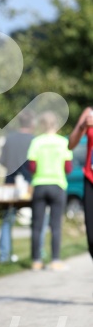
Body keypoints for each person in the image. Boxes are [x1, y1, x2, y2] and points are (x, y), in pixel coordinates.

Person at [27, 111, 73, 270]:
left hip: (40, 184)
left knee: (37, 226)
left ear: (42, 125)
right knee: (55, 225)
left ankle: (36, 261)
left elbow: (32, 166)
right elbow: (68, 167)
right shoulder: (63, 142)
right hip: (58, 184)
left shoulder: (37, 142)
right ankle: (55, 260)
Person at [0, 110, 35, 263]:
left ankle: (3, 256)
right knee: (37, 220)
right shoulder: (35, 140)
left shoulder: (9, 139)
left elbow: (2, 161)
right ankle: (38, 253)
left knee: (7, 220)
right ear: (32, 123)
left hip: (10, 184)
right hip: (29, 185)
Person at [68, 106, 93, 260]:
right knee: (92, 238)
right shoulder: (89, 112)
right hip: (90, 178)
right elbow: (71, 144)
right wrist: (83, 126)